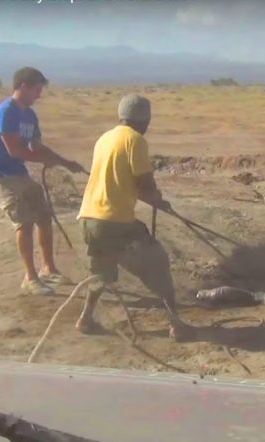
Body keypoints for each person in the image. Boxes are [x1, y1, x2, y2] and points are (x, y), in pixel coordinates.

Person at [75, 94, 195, 341]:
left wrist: (153, 199)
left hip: (89, 218)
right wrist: (158, 201)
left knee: (101, 273)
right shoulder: (136, 140)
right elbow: (143, 182)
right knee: (158, 263)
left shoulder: (105, 138)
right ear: (145, 119)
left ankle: (85, 318)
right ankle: (175, 324)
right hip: (116, 221)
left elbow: (122, 181)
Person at [0, 66, 85, 296]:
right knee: (24, 222)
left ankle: (49, 269)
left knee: (44, 216)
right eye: (37, 90)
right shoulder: (6, 111)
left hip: (17, 172)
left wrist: (64, 162)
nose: (39, 95)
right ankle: (30, 278)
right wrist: (45, 160)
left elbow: (36, 147)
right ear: (24, 87)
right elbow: (16, 150)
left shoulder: (30, 115)